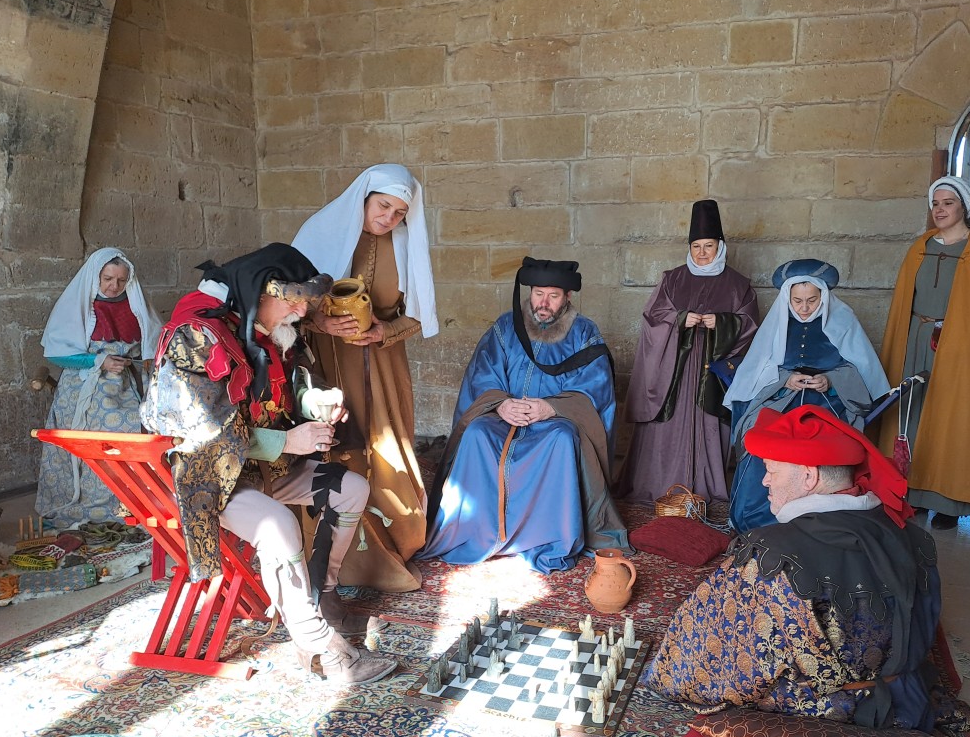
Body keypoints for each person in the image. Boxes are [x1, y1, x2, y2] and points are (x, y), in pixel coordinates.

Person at [140, 243, 395, 684]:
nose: (301, 309)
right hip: (211, 482)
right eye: (291, 298)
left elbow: (287, 391)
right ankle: (317, 646)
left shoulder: (273, 330)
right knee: (278, 525)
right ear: (258, 292)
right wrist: (286, 440)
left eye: (304, 300)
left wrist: (316, 404)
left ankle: (323, 595)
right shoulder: (196, 336)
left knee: (351, 489)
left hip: (264, 471)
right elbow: (200, 433)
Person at [645, 404, 941, 732]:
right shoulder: (913, 536)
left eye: (772, 470)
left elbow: (707, 654)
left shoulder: (771, 555)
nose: (765, 481)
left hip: (826, 716)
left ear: (809, 475)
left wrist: (667, 670)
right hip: (907, 697)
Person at [417, 257, 631, 574]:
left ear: (568, 297)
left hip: (553, 422)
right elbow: (483, 374)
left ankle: (547, 537)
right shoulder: (506, 327)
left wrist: (552, 407)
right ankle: (471, 531)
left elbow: (595, 386)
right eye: (538, 293)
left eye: (553, 295)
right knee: (477, 432)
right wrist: (501, 404)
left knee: (561, 439)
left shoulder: (585, 333)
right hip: (506, 415)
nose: (543, 303)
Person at [292, 163, 437, 593]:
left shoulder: (405, 243)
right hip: (326, 364)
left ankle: (393, 544)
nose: (389, 218)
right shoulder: (320, 231)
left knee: (386, 448)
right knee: (337, 445)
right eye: (383, 206)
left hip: (384, 366)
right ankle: (333, 558)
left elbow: (417, 317)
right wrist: (321, 326)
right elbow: (288, 303)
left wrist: (383, 331)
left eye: (398, 213)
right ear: (364, 197)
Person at [880, 176, 970, 530]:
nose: (940, 210)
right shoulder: (919, 248)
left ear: (965, 208)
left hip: (962, 348)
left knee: (953, 419)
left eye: (948, 203)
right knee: (911, 415)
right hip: (917, 339)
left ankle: (949, 502)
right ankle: (912, 494)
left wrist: (964, 343)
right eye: (936, 203)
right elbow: (904, 304)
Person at [724, 259, 890, 532]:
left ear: (823, 297)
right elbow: (759, 370)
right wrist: (785, 380)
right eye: (797, 301)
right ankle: (760, 520)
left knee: (824, 450)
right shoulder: (777, 324)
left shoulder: (843, 321)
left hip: (827, 402)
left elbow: (859, 369)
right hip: (781, 400)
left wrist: (831, 380)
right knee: (762, 442)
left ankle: (818, 523)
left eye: (811, 301)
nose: (803, 308)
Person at [616, 199, 760, 504]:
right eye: (696, 246)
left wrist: (721, 323)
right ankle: (659, 488)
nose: (703, 253)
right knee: (664, 430)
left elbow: (750, 325)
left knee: (708, 428)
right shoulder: (672, 279)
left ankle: (702, 490)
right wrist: (681, 319)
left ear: (720, 246)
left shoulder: (738, 285)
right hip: (673, 373)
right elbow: (653, 319)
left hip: (712, 373)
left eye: (709, 245)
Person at [36, 248, 163, 529]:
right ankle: (95, 505)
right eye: (107, 278)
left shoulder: (135, 304)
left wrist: (142, 362)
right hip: (82, 384)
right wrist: (99, 360)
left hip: (124, 382)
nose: (113, 286)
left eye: (120, 280)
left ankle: (129, 504)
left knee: (141, 427)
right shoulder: (78, 304)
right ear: (95, 276)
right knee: (106, 430)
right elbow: (57, 354)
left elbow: (155, 343)